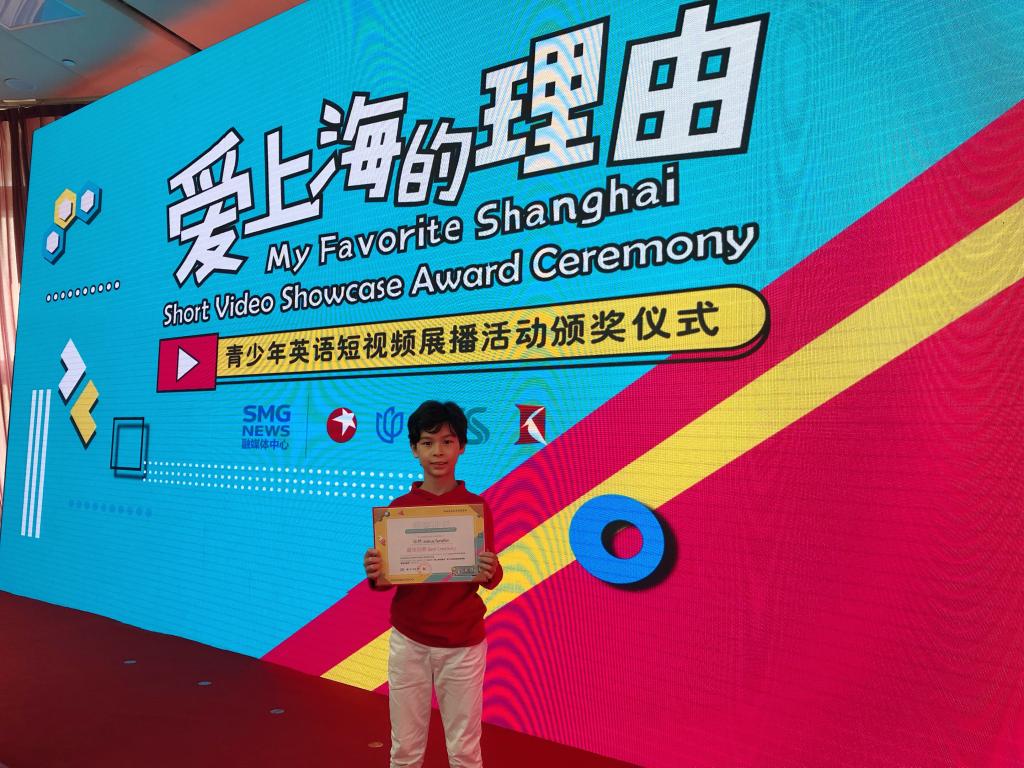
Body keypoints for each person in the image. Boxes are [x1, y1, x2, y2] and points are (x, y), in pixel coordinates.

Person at [364, 400, 503, 768]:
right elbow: (388, 580)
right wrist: (377, 572)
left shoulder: (474, 508)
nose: (437, 452)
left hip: (463, 644)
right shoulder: (399, 509)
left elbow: (489, 575)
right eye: (427, 443)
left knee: (465, 751)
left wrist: (491, 569)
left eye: (447, 441)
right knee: (404, 749)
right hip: (409, 641)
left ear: (462, 447)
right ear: (414, 449)